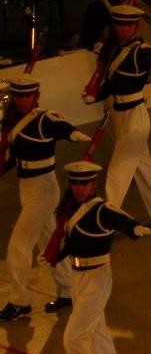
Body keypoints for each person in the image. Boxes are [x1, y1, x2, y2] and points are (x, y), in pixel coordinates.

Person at [56, 160, 151, 354]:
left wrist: (134, 228)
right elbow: (69, 241)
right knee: (97, 334)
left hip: (97, 278)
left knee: (74, 337)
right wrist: (54, 255)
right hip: (77, 276)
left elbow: (119, 218)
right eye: (75, 183)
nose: (79, 188)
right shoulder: (70, 208)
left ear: (94, 184)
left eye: (84, 183)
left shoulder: (100, 210)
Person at [0, 75, 88, 321]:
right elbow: (11, 157)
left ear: (36, 96)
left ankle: (19, 301)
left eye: (27, 95)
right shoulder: (12, 122)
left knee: (18, 246)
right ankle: (68, 290)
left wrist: (72, 133)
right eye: (18, 95)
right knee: (50, 241)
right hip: (26, 187)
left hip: (43, 189)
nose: (22, 100)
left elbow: (60, 126)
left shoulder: (43, 118)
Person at [89, 4, 151, 231]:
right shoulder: (112, 49)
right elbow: (111, 83)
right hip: (118, 114)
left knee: (118, 170)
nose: (124, 29)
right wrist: (94, 95)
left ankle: (108, 221)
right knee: (142, 164)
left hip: (135, 116)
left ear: (136, 26)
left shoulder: (139, 50)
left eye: (129, 25)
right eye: (120, 24)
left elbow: (148, 55)